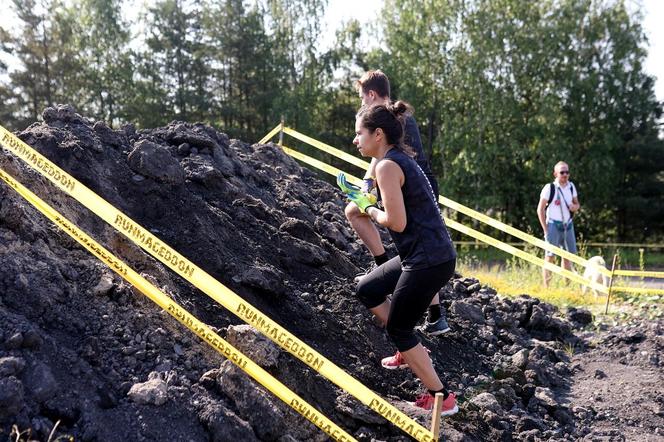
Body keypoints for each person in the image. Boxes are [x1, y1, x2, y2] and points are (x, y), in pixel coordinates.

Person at [336, 102, 458, 413]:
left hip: (428, 260)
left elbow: (397, 221)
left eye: (358, 133)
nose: (355, 140)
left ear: (378, 134)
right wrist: (367, 199)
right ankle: (410, 351)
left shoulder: (387, 166)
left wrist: (369, 208)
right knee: (368, 289)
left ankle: (441, 398)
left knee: (398, 329)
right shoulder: (394, 160)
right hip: (421, 255)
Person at [346, 69, 449, 336]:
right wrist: (367, 187)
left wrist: (369, 194)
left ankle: (433, 313)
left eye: (361, 98)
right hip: (400, 183)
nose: (361, 104)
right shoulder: (382, 121)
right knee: (355, 211)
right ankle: (386, 272)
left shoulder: (398, 118)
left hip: (415, 188)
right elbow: (378, 159)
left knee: (421, 247)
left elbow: (390, 159)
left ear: (371, 94)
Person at [537, 161, 580, 287]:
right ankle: (547, 288)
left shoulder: (571, 186)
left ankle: (567, 287)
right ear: (555, 174)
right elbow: (540, 209)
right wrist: (545, 229)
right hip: (553, 225)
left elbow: (577, 204)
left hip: (568, 225)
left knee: (567, 257)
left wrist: (574, 207)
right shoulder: (549, 188)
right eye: (562, 172)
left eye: (567, 172)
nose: (565, 174)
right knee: (550, 257)